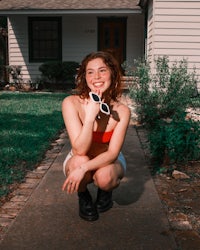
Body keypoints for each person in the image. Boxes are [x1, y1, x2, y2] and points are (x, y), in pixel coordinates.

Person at [62, 51, 130, 221]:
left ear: (112, 74)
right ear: (84, 77)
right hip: (80, 156)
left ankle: (105, 192)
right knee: (80, 160)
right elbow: (79, 149)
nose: (96, 77)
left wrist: (84, 169)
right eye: (90, 72)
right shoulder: (71, 103)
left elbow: (113, 153)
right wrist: (91, 116)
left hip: (108, 159)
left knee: (105, 177)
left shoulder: (122, 111)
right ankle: (83, 195)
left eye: (102, 70)